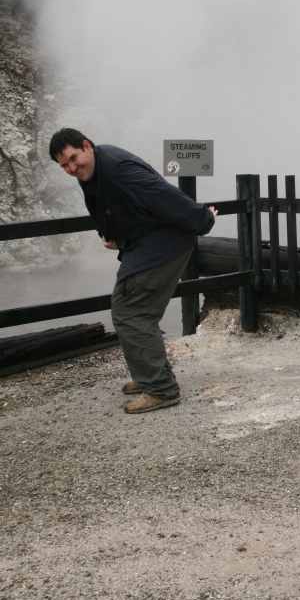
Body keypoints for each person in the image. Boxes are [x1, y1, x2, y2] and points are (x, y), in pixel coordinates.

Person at [49, 128, 217, 413]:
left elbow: (162, 195)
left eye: (73, 158)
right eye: (64, 165)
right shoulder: (94, 168)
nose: (71, 168)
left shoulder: (117, 169)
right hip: (146, 243)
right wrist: (112, 234)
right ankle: (149, 375)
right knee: (135, 312)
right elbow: (106, 205)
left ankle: (161, 389)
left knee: (131, 312)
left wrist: (202, 219)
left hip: (162, 244)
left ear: (86, 146)